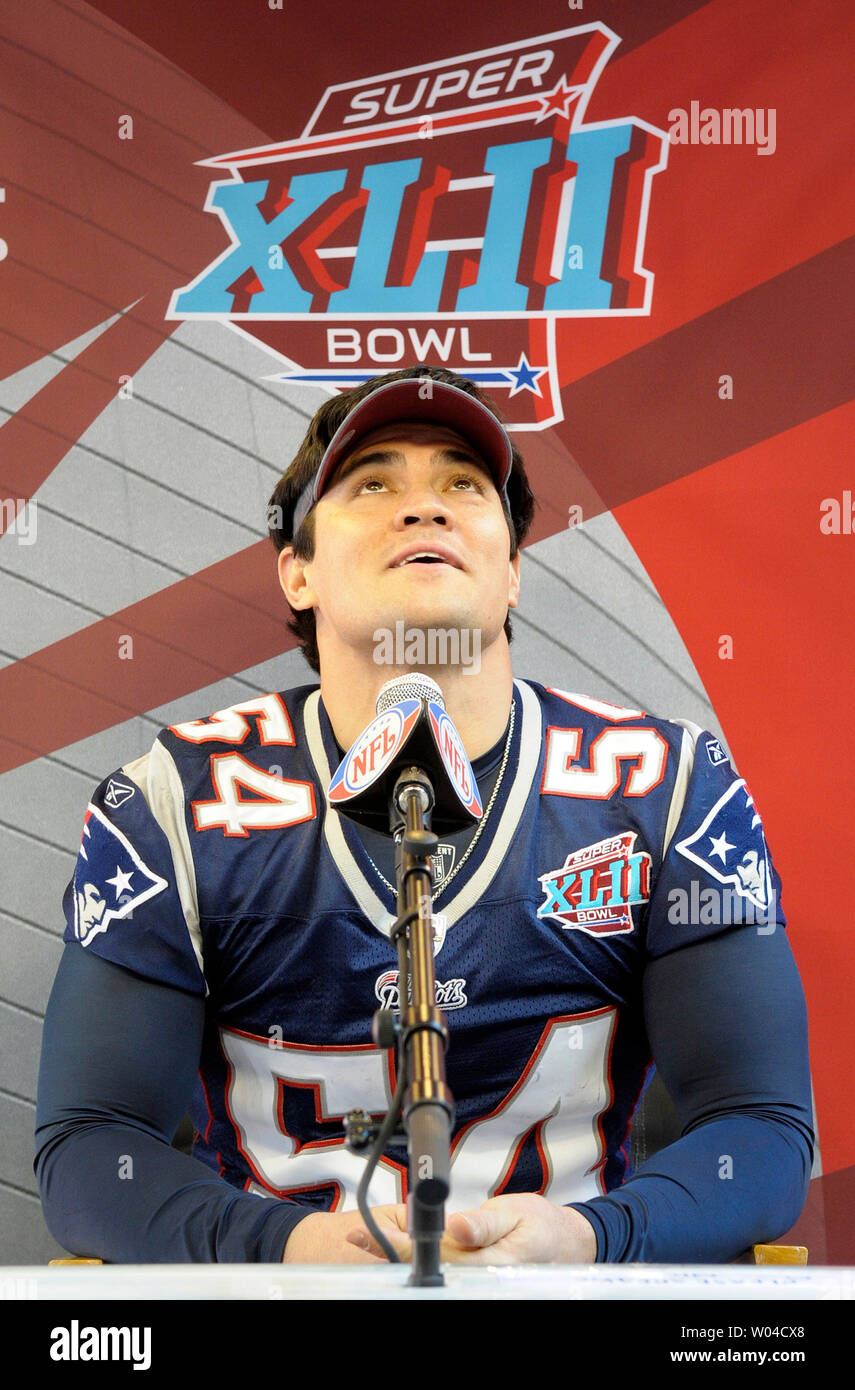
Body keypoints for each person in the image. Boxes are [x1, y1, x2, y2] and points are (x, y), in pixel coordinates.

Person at [35, 365, 813, 1265]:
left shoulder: (667, 783)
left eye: (461, 483)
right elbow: (90, 1146)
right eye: (372, 483)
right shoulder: (174, 801)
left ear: (513, 570)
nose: (424, 507)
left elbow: (757, 1129)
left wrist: (588, 1238)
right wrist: (280, 1248)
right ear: (296, 571)